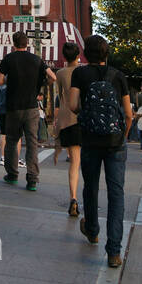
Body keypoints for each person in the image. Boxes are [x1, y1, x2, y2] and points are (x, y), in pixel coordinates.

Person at [70, 34, 134, 268]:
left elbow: (73, 105)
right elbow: (128, 114)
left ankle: (93, 230)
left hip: (90, 139)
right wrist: (123, 135)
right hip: (115, 142)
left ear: (86, 54)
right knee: (116, 193)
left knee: (91, 186)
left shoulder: (80, 73)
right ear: (107, 54)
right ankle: (114, 252)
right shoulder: (118, 76)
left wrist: (87, 114)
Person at [0, 31, 52, 191]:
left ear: (13, 43)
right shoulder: (36, 60)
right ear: (27, 43)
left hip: (13, 107)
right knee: (32, 143)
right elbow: (52, 77)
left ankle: (12, 174)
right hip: (32, 108)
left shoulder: (9, 59)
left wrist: (10, 79)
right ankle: (32, 179)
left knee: (12, 141)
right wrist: (41, 83)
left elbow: (0, 81)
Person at [52, 42, 83, 215]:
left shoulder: (61, 73)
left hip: (68, 119)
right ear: (78, 55)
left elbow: (61, 98)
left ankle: (73, 197)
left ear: (64, 56)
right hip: (84, 119)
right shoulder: (84, 71)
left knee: (74, 162)